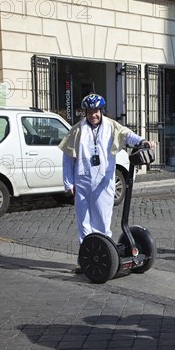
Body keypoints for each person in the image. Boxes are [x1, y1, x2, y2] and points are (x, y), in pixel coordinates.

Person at [59, 93, 155, 273]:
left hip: (104, 180)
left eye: (95, 111)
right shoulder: (78, 129)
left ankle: (106, 256)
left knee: (102, 219)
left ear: (100, 111)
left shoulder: (111, 126)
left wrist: (143, 141)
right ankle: (85, 258)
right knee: (84, 222)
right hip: (83, 181)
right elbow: (68, 158)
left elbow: (128, 136)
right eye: (89, 112)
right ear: (85, 112)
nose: (93, 115)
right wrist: (68, 182)